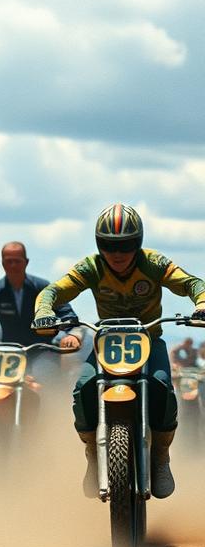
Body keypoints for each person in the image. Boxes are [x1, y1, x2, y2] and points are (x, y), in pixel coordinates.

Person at [33, 204, 205, 499]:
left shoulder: (153, 263)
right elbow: (53, 291)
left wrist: (201, 303)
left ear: (137, 242)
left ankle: (161, 456)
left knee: (163, 386)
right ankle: (92, 453)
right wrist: (43, 310)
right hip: (106, 343)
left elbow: (192, 283)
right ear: (100, 244)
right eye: (110, 245)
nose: (118, 253)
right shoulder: (91, 267)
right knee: (83, 388)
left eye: (125, 245)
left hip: (149, 341)